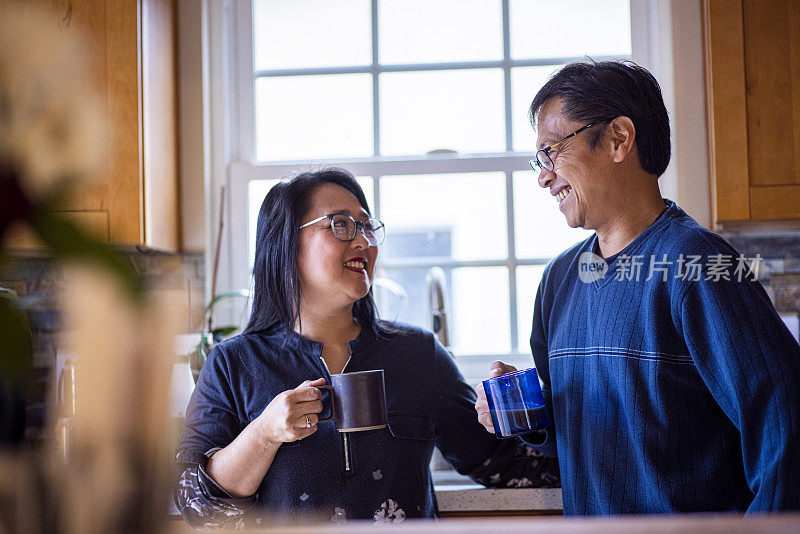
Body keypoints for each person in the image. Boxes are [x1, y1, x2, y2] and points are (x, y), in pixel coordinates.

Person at [475, 60, 800, 514]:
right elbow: (587, 429)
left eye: (552, 151)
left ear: (617, 139)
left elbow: (786, 427)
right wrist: (527, 412)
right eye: (539, 160)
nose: (543, 175)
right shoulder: (559, 281)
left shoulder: (700, 267)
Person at [175, 168, 559, 527]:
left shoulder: (418, 355)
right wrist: (264, 434)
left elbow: (505, 466)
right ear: (287, 243)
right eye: (340, 224)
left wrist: (525, 415)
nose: (363, 242)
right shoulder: (234, 363)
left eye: (366, 226)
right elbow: (194, 505)